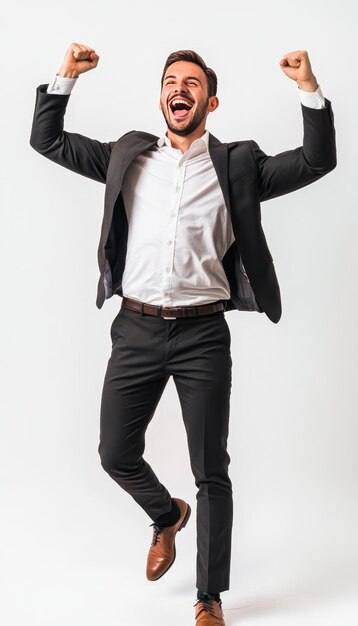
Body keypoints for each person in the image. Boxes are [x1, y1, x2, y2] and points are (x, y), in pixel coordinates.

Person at [30, 44, 336, 625]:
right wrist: (66, 76)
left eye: (192, 83)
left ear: (209, 101)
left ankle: (209, 597)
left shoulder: (238, 165)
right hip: (136, 329)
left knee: (210, 470)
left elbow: (318, 161)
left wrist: (308, 88)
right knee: (114, 453)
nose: (181, 88)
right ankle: (165, 515)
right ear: (162, 97)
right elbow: (47, 141)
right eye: (172, 80)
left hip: (203, 338)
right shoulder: (127, 154)